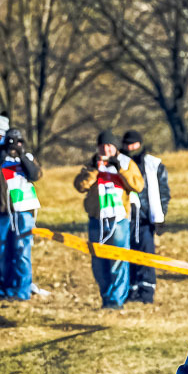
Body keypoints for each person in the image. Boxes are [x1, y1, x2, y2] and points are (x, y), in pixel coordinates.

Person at [73, 130, 144, 310]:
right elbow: (80, 186)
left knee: (118, 260)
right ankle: (106, 297)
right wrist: (94, 170)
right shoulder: (92, 164)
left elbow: (138, 185)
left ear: (115, 147)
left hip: (118, 219)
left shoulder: (126, 163)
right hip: (97, 219)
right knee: (99, 263)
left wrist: (120, 169)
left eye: (109, 146)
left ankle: (116, 300)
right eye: (102, 146)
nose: (106, 149)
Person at [0, 116, 42, 301]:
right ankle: (5, 289)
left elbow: (34, 174)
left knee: (22, 252)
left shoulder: (26, 156)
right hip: (1, 211)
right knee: (3, 253)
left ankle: (22, 291)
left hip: (23, 210)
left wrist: (21, 153)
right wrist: (4, 150)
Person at [121, 130, 170, 304]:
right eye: (127, 144)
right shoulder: (119, 164)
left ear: (140, 144)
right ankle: (130, 290)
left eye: (133, 144)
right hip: (125, 218)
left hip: (145, 219)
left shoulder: (153, 164)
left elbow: (163, 192)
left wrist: (160, 216)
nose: (130, 148)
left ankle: (146, 291)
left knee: (146, 254)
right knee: (127, 255)